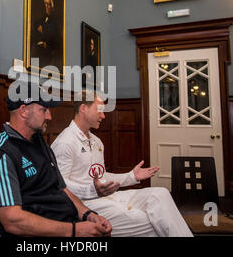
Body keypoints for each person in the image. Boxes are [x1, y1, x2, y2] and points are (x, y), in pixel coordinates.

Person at [0, 82, 112, 237]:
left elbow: (62, 189)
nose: (49, 116)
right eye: (44, 109)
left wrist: (89, 215)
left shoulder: (40, 144)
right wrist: (75, 231)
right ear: (24, 111)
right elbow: (11, 220)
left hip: (69, 224)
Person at [51, 90, 193, 237]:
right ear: (83, 108)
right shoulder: (65, 142)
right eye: (99, 110)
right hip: (84, 204)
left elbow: (102, 176)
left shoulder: (96, 141)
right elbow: (59, 186)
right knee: (151, 220)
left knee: (160, 194)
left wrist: (131, 176)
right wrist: (91, 190)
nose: (103, 115)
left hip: (108, 197)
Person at [32, 0, 62, 71]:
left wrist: (43, 31)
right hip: (38, 49)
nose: (46, 6)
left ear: (51, 6)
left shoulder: (55, 21)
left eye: (48, 4)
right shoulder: (41, 19)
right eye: (45, 3)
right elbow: (36, 28)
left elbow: (54, 38)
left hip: (48, 52)